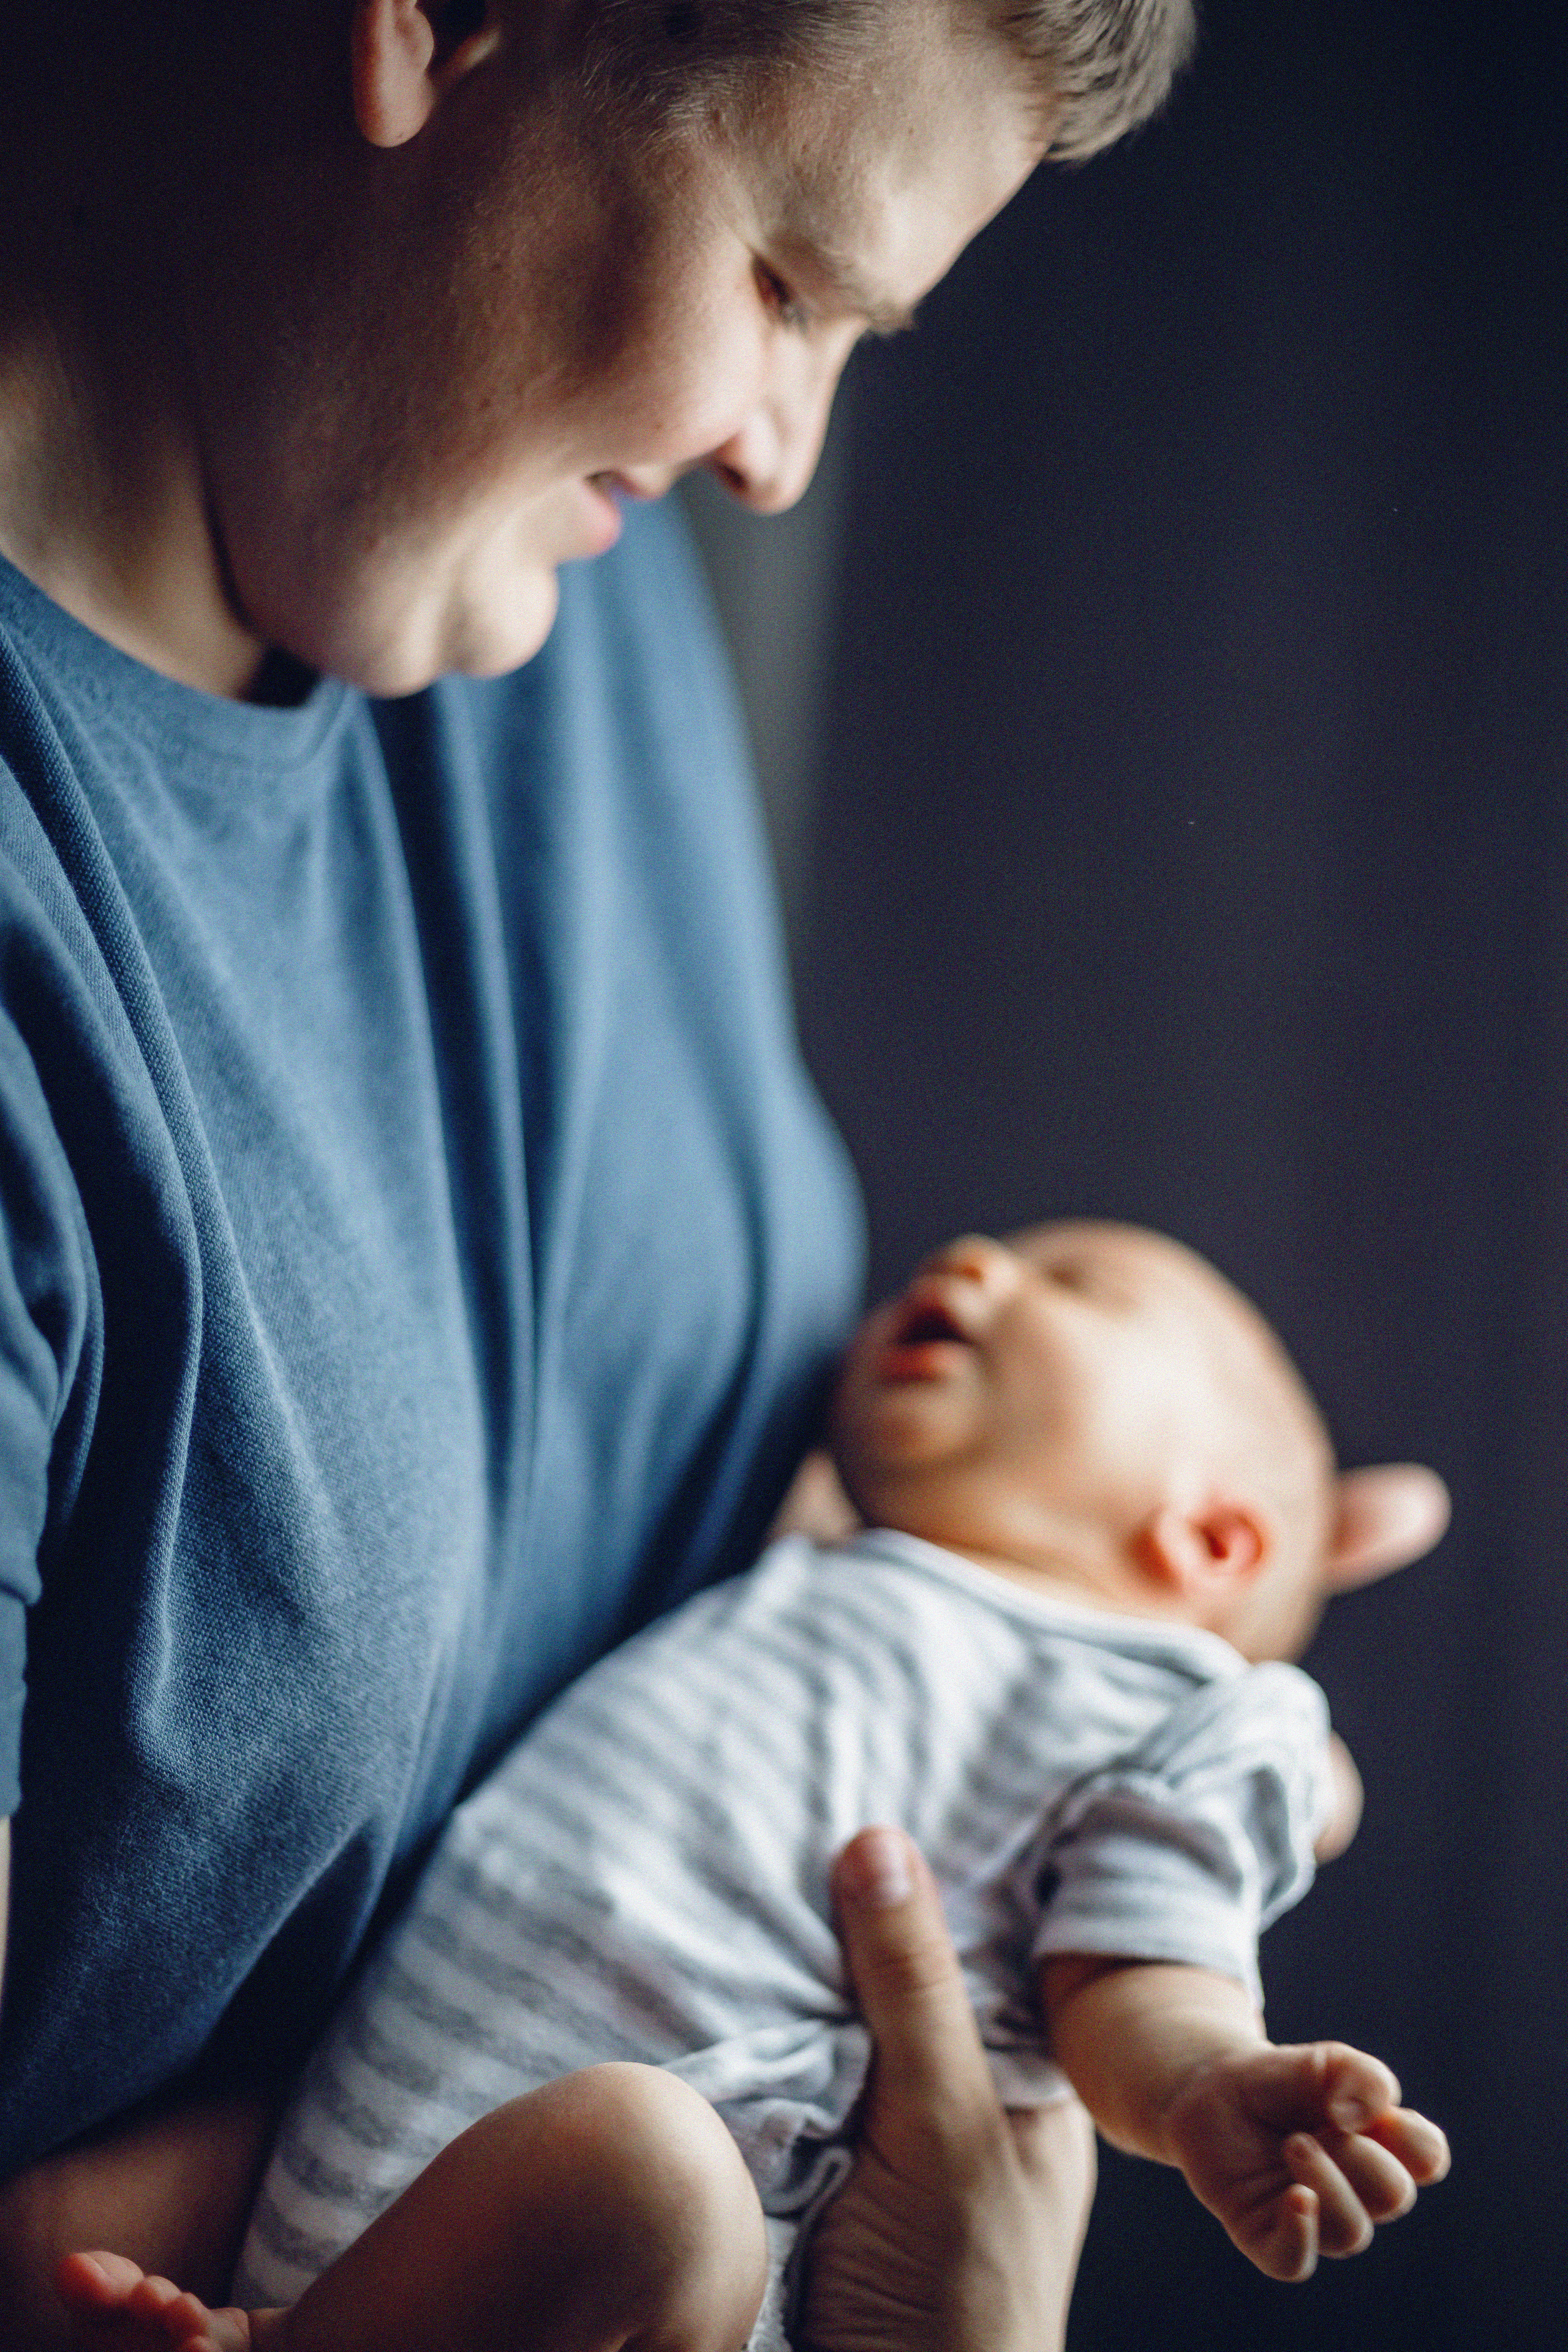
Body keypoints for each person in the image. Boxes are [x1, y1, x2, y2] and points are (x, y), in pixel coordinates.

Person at [0, 1, 1450, 2344]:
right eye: (786, 283)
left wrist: (1117, 1645)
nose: (779, 451)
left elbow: (623, 1532)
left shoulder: (540, 567)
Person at [56, 1221, 1449, 2352]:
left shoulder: (1169, 1702)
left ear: (1204, 1536)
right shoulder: (828, 1562)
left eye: (1079, 1287)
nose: (969, 1256)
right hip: (380, 2194)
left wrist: (1207, 2079)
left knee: (651, 2165)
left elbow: (1137, 1962)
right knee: (57, 2222)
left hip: (644, 2250)